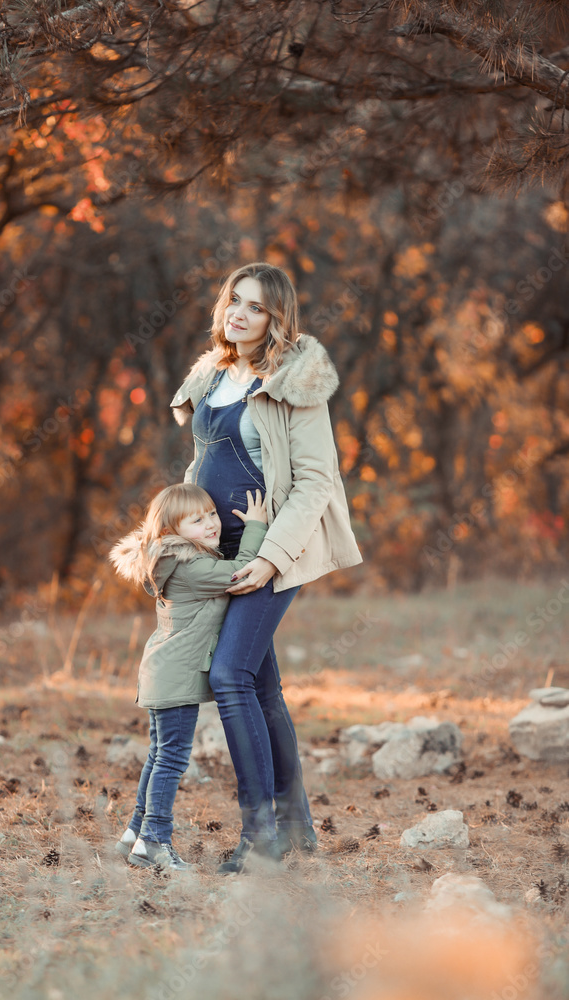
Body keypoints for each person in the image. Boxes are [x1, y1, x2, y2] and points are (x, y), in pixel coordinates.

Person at [170, 262, 363, 874]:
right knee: (259, 685)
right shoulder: (212, 374)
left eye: (255, 306)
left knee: (229, 676)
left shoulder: (294, 383)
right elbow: (200, 467)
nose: (240, 313)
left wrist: (271, 558)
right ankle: (297, 826)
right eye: (234, 300)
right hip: (216, 551)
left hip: (272, 550)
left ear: (276, 318)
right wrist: (179, 539)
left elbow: (314, 483)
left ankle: (260, 838)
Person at [108, 482, 268, 871]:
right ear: (170, 532)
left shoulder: (175, 558)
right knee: (172, 759)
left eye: (211, 513)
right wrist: (256, 529)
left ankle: (134, 832)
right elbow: (238, 575)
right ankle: (154, 841)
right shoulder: (192, 565)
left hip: (163, 672)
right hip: (175, 677)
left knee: (159, 755)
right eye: (196, 521)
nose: (211, 524)